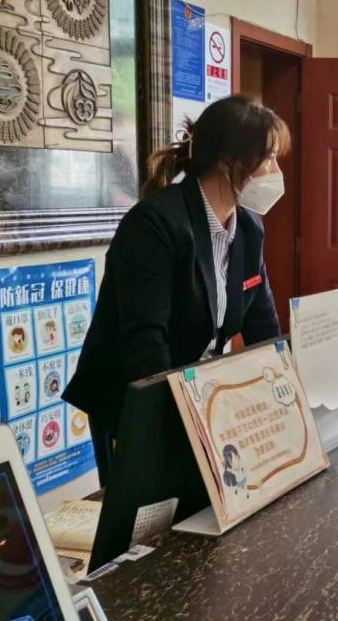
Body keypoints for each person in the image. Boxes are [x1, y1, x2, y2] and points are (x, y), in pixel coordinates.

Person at [64, 95, 288, 483]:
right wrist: (180, 429)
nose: (276, 171)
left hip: (197, 394)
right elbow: (145, 345)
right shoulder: (154, 225)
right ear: (229, 161)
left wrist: (282, 395)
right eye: (268, 158)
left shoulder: (249, 228)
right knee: (147, 514)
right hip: (133, 399)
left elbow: (263, 326)